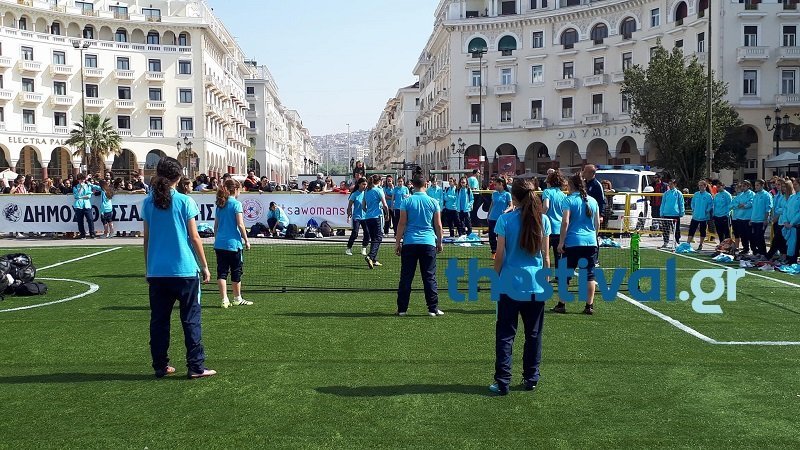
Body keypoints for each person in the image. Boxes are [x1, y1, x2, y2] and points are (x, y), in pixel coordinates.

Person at [142, 157, 216, 379]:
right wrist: (205, 265)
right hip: (185, 270)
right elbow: (195, 237)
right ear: (179, 176)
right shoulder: (185, 201)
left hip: (158, 271)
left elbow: (147, 239)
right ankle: (196, 366)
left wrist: (148, 267)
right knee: (191, 319)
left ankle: (160, 365)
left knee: (159, 321)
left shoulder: (147, 202)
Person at [489, 177, 550, 396]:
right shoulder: (543, 220)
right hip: (536, 285)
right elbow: (546, 257)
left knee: (506, 334)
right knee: (533, 334)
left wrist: (495, 278)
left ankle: (503, 381)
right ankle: (531, 377)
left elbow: (499, 255)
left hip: (510, 284)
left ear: (513, 196)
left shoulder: (505, 220)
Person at [394, 173, 444, 317]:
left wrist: (397, 243)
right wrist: (439, 242)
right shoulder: (433, 202)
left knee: (406, 277)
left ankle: (402, 309)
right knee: (429, 277)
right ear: (426, 185)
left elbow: (401, 224)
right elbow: (438, 225)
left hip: (410, 242)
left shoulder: (406, 201)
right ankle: (432, 308)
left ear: (412, 185)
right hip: (428, 242)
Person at [553, 174, 600, 315]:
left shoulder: (569, 200)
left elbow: (565, 222)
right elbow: (597, 223)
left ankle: (561, 304)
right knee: (589, 275)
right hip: (591, 242)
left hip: (573, 242)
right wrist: (594, 238)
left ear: (571, 185)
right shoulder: (593, 201)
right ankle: (589, 306)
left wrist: (561, 242)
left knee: (565, 275)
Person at [214, 179, 252, 308]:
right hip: (233, 244)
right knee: (236, 271)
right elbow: (240, 224)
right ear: (235, 189)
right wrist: (246, 240)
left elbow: (216, 226)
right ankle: (237, 298)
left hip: (220, 244)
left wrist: (217, 239)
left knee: (222, 272)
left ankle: (224, 299)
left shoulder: (220, 204)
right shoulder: (236, 204)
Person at [362, 174, 390, 269]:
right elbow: (385, 204)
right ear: (379, 181)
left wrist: (368, 212)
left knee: (374, 238)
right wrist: (387, 214)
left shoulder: (367, 190)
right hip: (377, 217)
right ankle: (370, 256)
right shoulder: (378, 190)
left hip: (368, 217)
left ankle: (373, 259)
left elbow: (363, 206)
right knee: (378, 237)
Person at [541, 171, 567, 264]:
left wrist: (540, 217)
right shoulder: (563, 195)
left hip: (548, 230)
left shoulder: (547, 192)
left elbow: (546, 206)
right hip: (560, 230)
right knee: (559, 258)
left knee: (543, 256)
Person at [767, 179, 792, 261]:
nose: (777, 186)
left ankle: (769, 256)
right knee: (779, 240)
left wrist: (780, 212)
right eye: (776, 184)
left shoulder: (790, 197)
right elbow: (777, 208)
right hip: (779, 220)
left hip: (785, 221)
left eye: (779, 185)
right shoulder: (779, 196)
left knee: (778, 240)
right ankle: (782, 255)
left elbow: (788, 209)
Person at [487, 177, 513, 259]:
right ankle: (493, 252)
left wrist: (506, 211)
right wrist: (488, 215)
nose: (494, 186)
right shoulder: (494, 194)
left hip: (501, 219)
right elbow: (492, 205)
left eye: (496, 184)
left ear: (501, 184)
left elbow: (511, 206)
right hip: (492, 218)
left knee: (501, 236)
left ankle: (502, 252)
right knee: (492, 236)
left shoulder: (507, 194)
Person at [346, 177, 370, 256]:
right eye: (363, 184)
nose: (364, 186)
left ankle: (364, 247)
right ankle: (349, 248)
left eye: (366, 184)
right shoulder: (354, 194)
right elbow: (349, 205)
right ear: (359, 184)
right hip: (357, 216)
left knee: (367, 233)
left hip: (366, 217)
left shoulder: (367, 193)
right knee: (355, 233)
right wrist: (349, 213)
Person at [749, 179, 773, 259]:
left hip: (761, 220)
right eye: (755, 185)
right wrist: (751, 219)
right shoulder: (756, 195)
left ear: (762, 185)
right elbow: (753, 208)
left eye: (757, 185)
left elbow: (768, 208)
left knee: (760, 237)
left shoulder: (766, 195)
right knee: (755, 237)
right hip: (754, 219)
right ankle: (758, 252)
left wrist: (765, 219)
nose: (756, 187)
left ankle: (763, 253)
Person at [659, 178, 685, 249]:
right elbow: (663, 203)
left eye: (671, 184)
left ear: (675, 184)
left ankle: (677, 242)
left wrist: (682, 212)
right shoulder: (666, 193)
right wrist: (661, 212)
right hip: (666, 214)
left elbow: (681, 203)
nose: (670, 185)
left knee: (676, 229)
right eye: (669, 184)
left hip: (675, 214)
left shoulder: (678, 193)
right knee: (666, 229)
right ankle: (666, 242)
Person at [688, 180, 713, 251]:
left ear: (705, 186)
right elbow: (692, 203)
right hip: (695, 216)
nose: (700, 187)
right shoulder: (696, 194)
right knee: (691, 230)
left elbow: (711, 205)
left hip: (704, 217)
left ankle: (701, 244)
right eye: (699, 185)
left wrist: (706, 211)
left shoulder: (708, 195)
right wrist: (693, 209)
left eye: (701, 185)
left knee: (702, 231)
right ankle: (688, 243)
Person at [73, 173, 99, 239]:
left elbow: (89, 196)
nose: (82, 181)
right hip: (78, 205)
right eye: (80, 179)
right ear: (78, 180)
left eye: (83, 179)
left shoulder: (88, 186)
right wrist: (81, 188)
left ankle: (92, 234)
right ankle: (82, 234)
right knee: (80, 221)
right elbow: (76, 196)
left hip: (87, 205)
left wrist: (80, 197)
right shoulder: (75, 187)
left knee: (90, 219)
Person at [732, 180, 755, 256]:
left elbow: (751, 203)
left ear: (748, 186)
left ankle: (753, 250)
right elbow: (735, 203)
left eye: (744, 186)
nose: (742, 187)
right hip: (740, 217)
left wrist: (744, 205)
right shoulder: (741, 195)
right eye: (742, 186)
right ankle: (745, 249)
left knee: (749, 235)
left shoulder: (752, 194)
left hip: (747, 217)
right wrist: (738, 205)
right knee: (742, 235)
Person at [781, 178, 800, 265]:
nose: (794, 186)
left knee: (795, 245)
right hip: (788, 225)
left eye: (796, 184)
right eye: (794, 184)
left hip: (796, 226)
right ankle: (790, 260)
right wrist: (785, 221)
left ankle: (793, 260)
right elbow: (785, 209)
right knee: (790, 244)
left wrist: (792, 223)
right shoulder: (792, 197)